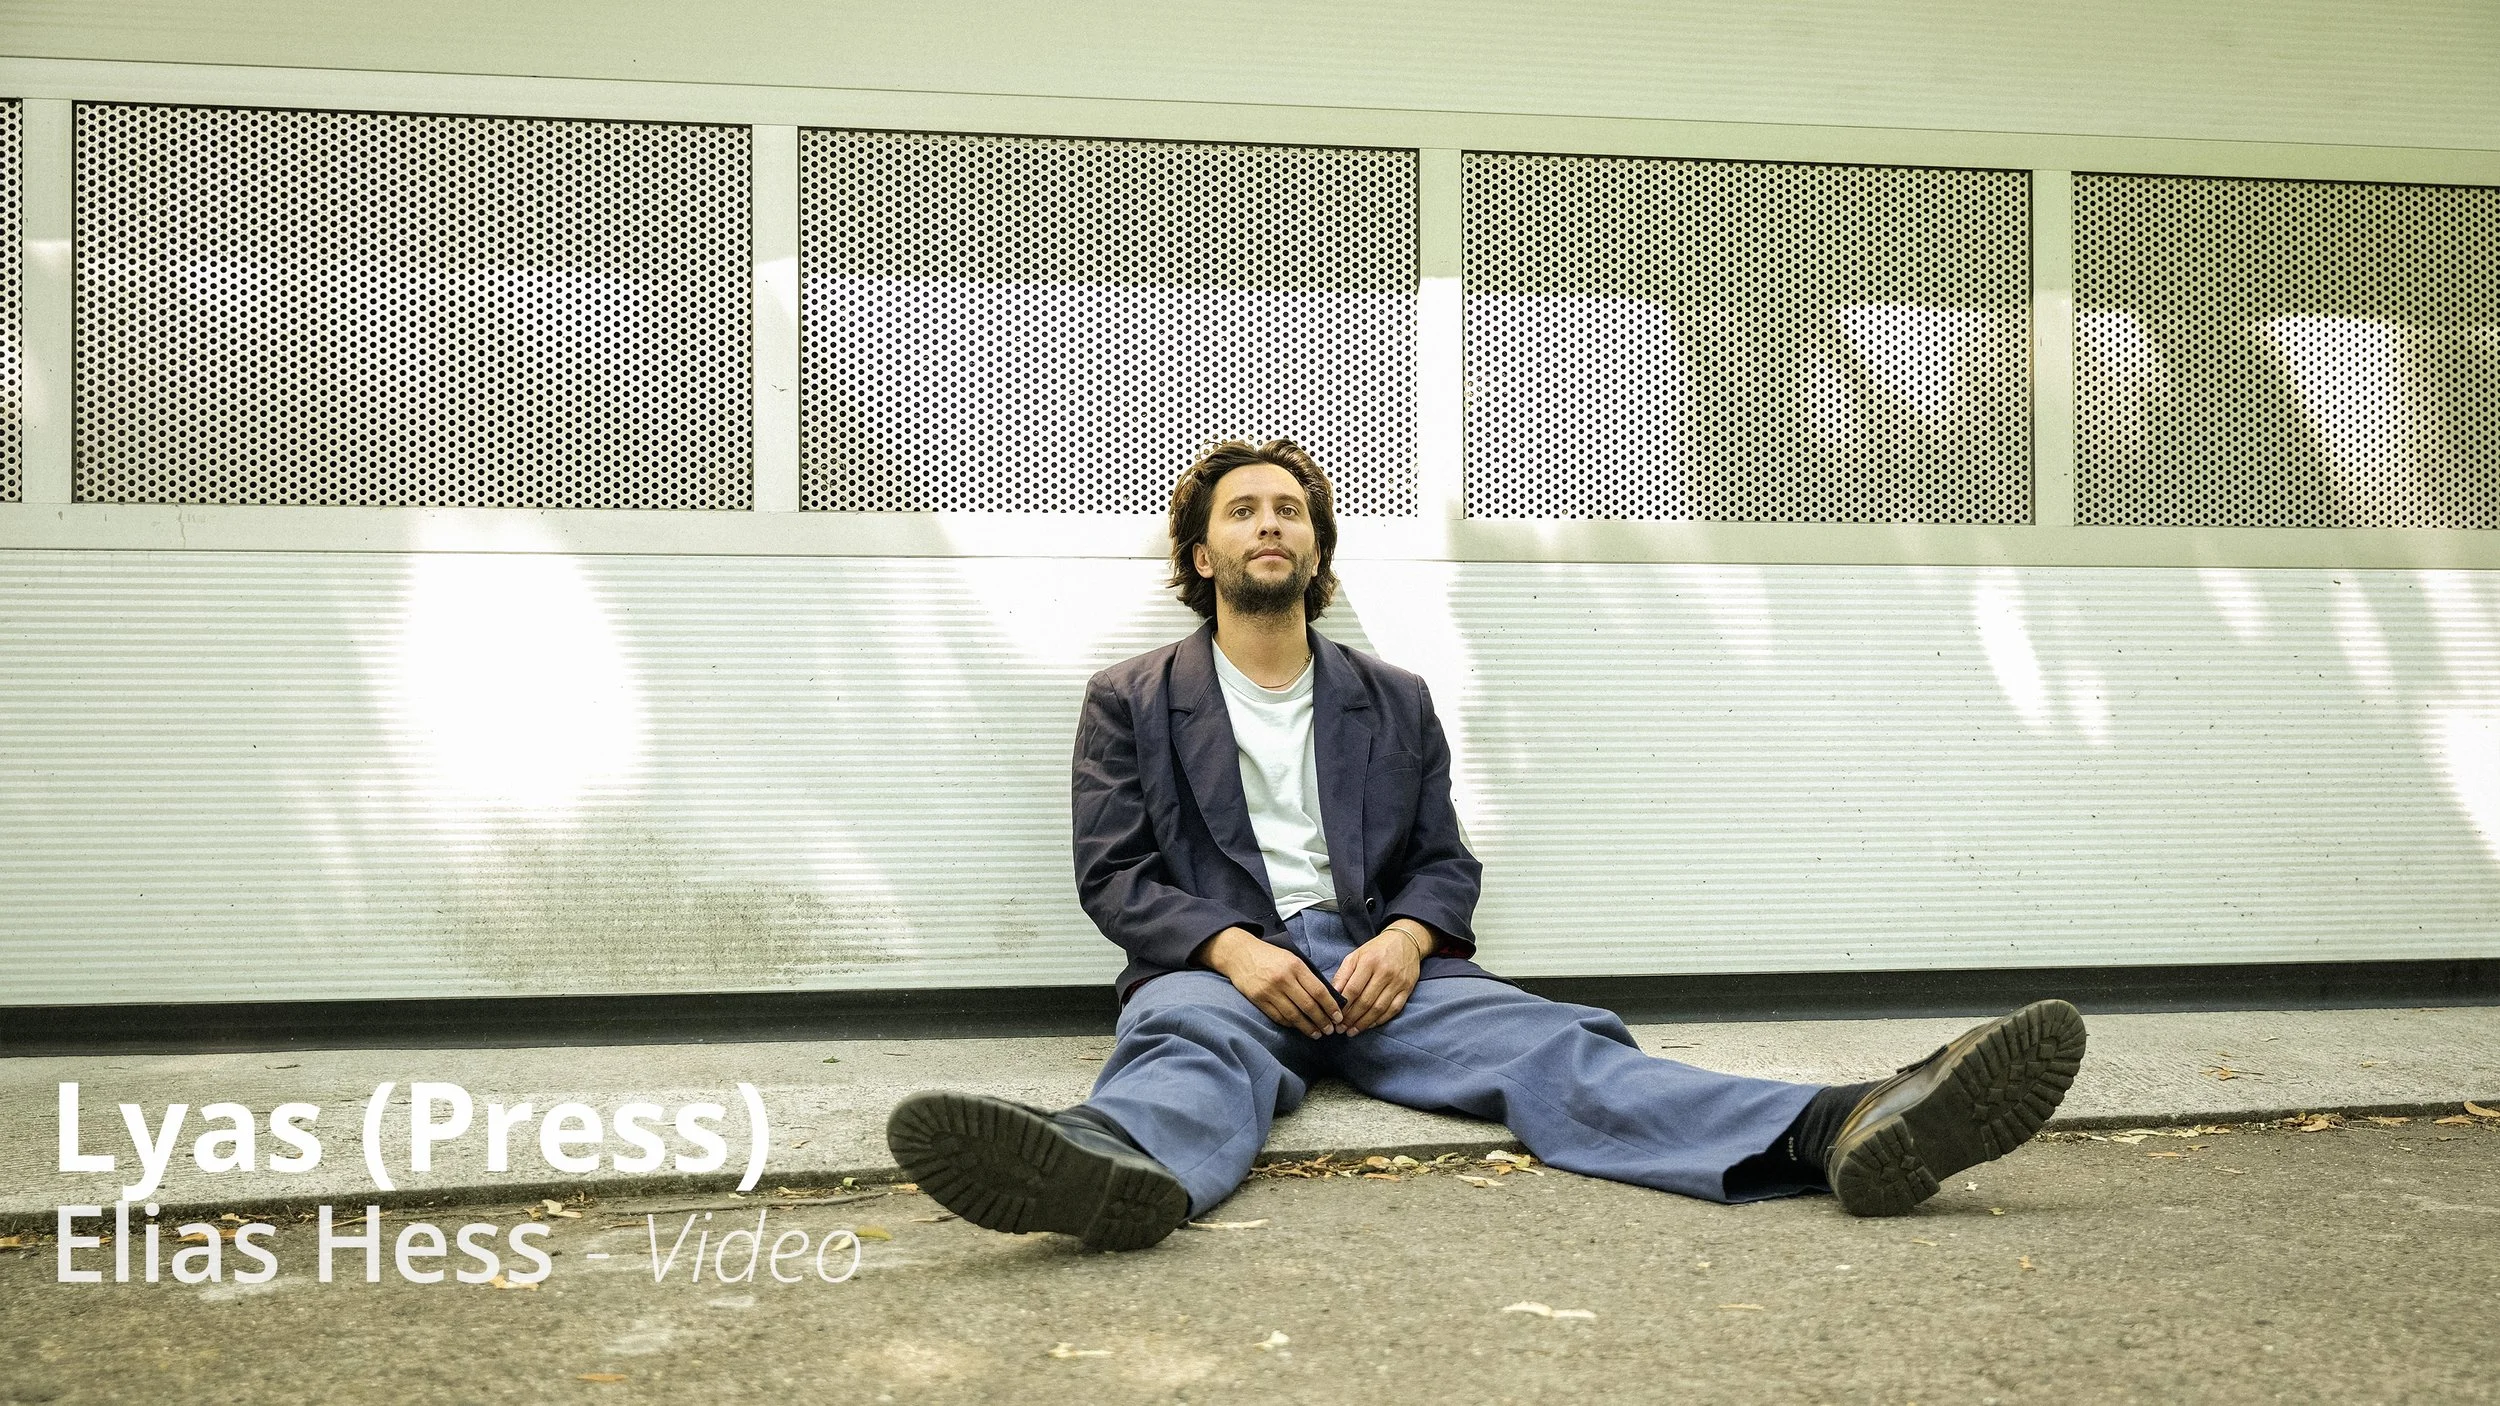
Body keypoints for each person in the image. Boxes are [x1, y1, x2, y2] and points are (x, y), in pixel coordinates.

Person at [887, 439, 2086, 1250]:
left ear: (1316, 554)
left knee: (1558, 1048)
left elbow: (1443, 858)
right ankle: (1111, 1170)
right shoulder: (1131, 698)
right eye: (1242, 510)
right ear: (1200, 555)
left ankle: (1841, 1124)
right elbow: (1115, 873)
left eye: (1289, 510)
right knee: (1188, 1050)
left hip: (1386, 968)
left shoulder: (1392, 696)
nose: (1269, 523)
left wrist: (1408, 937)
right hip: (1224, 971)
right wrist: (1230, 952)